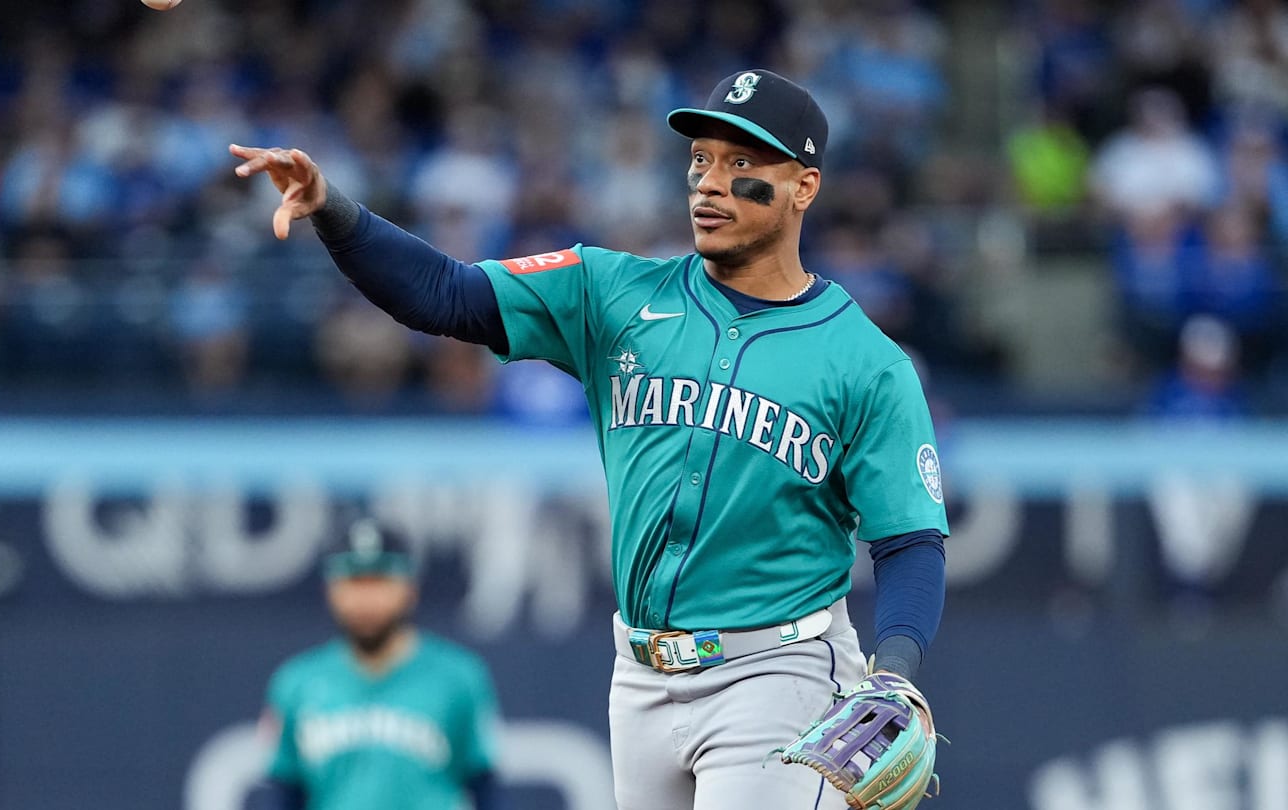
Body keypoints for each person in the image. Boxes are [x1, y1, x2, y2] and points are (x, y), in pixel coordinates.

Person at [232, 68, 949, 810]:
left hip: (779, 668)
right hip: (638, 673)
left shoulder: (866, 362)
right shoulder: (613, 291)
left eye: (742, 165)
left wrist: (894, 672)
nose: (709, 183)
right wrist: (330, 208)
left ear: (804, 187)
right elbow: (443, 293)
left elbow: (909, 540)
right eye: (700, 159)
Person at [244, 520, 502, 810]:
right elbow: (284, 791)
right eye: (354, 582)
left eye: (379, 581)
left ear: (410, 589)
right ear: (330, 590)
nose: (366, 599)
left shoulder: (458, 677)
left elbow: (485, 786)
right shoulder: (297, 682)